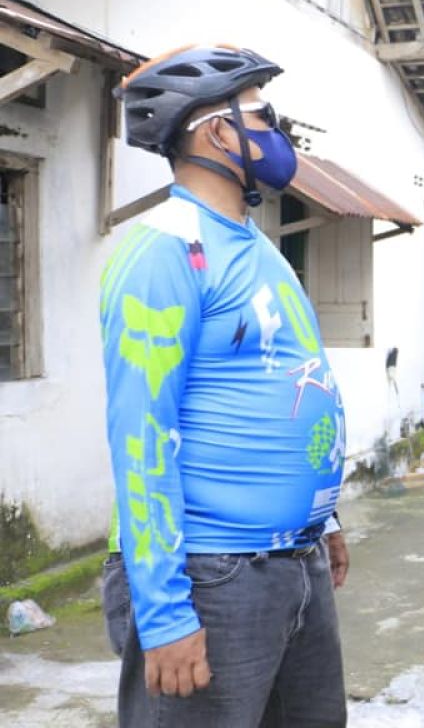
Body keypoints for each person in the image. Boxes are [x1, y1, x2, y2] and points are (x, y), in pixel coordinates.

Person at [100, 45, 350, 726]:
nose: (279, 136)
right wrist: (163, 611)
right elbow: (141, 433)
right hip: (214, 576)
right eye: (265, 117)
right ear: (216, 131)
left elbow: (284, 380)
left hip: (294, 562)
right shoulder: (164, 250)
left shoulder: (258, 248)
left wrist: (322, 517)